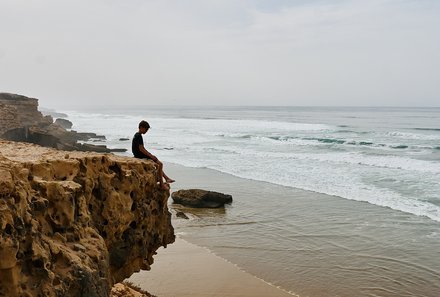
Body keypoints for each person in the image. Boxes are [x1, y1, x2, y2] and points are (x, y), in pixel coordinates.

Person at [132, 120, 175, 189]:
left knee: (158, 165)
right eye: (146, 129)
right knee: (160, 164)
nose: (146, 131)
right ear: (141, 127)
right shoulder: (139, 136)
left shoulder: (136, 135)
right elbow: (141, 149)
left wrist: (150, 155)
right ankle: (162, 185)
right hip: (139, 155)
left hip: (137, 154)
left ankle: (167, 178)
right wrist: (150, 155)